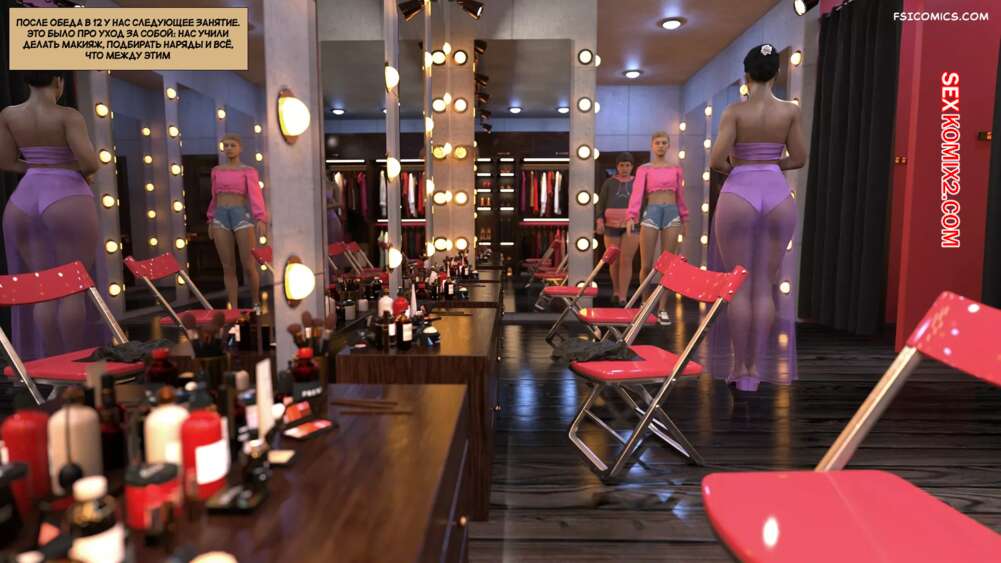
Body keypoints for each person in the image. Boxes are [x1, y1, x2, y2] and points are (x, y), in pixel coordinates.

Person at [708, 43, 807, 391]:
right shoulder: (790, 111)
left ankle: (740, 368)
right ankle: (755, 370)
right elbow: (799, 158)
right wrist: (771, 163)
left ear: (746, 75)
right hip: (777, 193)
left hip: (740, 191)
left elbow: (716, 160)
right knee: (765, 285)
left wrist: (741, 164)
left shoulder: (735, 111)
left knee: (740, 286)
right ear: (777, 73)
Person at [0, 70, 101, 360]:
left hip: (24, 198)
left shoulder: (9, 115)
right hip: (66, 194)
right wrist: (64, 167)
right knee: (72, 288)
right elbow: (90, 163)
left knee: (43, 287)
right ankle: (73, 362)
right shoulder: (68, 116)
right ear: (59, 81)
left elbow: (6, 161)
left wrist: (38, 166)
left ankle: (52, 362)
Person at [626, 132, 687, 325]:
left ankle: (662, 308)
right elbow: (637, 193)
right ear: (652, 145)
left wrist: (685, 218)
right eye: (657, 143)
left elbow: (680, 195)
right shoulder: (644, 169)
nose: (661, 145)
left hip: (672, 213)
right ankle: (645, 303)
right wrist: (631, 216)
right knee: (646, 264)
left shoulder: (676, 169)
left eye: (664, 143)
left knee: (667, 265)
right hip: (652, 212)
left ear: (668, 146)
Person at [208, 133, 268, 310]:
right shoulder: (216, 171)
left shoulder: (248, 171)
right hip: (220, 216)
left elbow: (255, 195)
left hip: (240, 215)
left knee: (248, 265)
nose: (229, 148)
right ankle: (233, 309)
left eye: (232, 145)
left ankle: (256, 303)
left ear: (240, 148)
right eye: (225, 145)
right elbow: (214, 197)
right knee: (228, 267)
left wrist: (260, 218)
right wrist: (210, 218)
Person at [595, 152, 638, 304]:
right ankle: (616, 290)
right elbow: (600, 203)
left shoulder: (637, 182)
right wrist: (599, 220)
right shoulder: (609, 183)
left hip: (632, 224)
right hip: (610, 225)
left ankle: (623, 296)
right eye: (621, 165)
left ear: (632, 167)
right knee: (614, 260)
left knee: (626, 260)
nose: (624, 168)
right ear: (617, 166)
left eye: (627, 165)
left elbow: (642, 202)